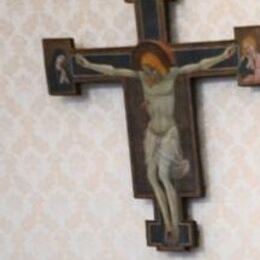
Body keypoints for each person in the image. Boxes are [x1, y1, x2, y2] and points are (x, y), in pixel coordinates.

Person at [73, 40, 233, 244]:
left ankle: (175, 223)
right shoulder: (141, 78)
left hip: (169, 132)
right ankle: (167, 225)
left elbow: (199, 66)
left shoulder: (172, 75)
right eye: (144, 70)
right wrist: (88, 65)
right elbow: (114, 71)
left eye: (150, 69)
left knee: (164, 176)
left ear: (158, 67)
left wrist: (223, 57)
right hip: (152, 132)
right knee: (151, 176)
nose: (147, 74)